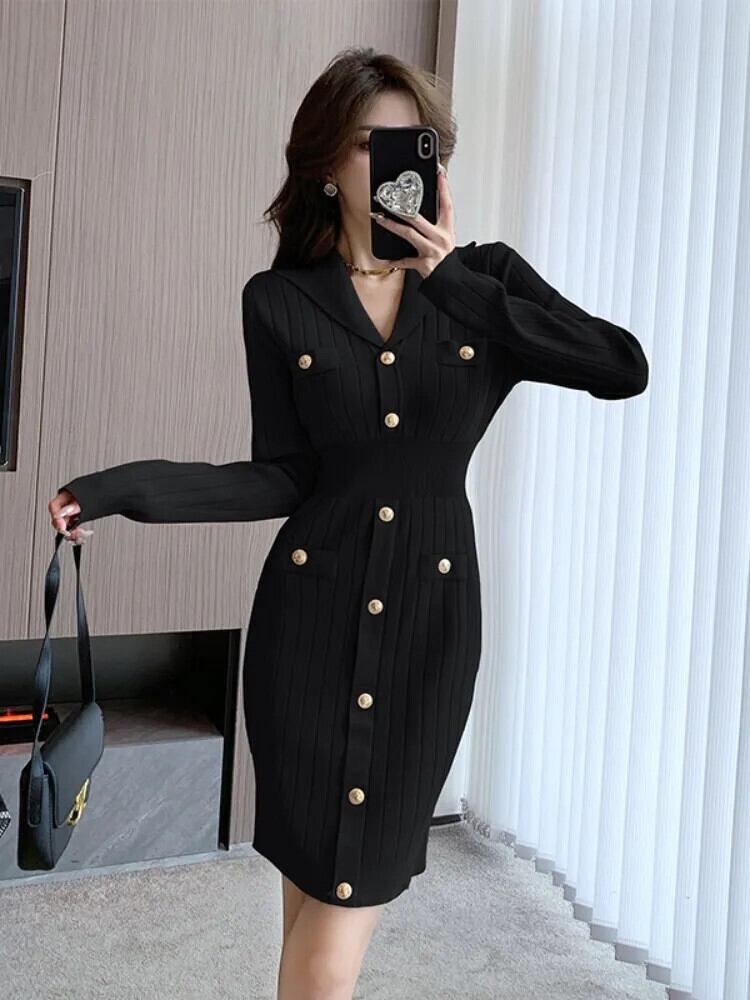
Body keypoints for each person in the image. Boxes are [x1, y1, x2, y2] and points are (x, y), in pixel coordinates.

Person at [48, 47, 648, 1000]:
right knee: (311, 922)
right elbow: (282, 476)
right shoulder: (279, 300)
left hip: (426, 633)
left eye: (415, 142)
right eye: (371, 143)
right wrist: (117, 489)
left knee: (326, 949)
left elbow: (621, 366)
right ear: (327, 162)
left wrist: (456, 283)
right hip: (307, 631)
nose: (395, 161)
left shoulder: (485, 282)